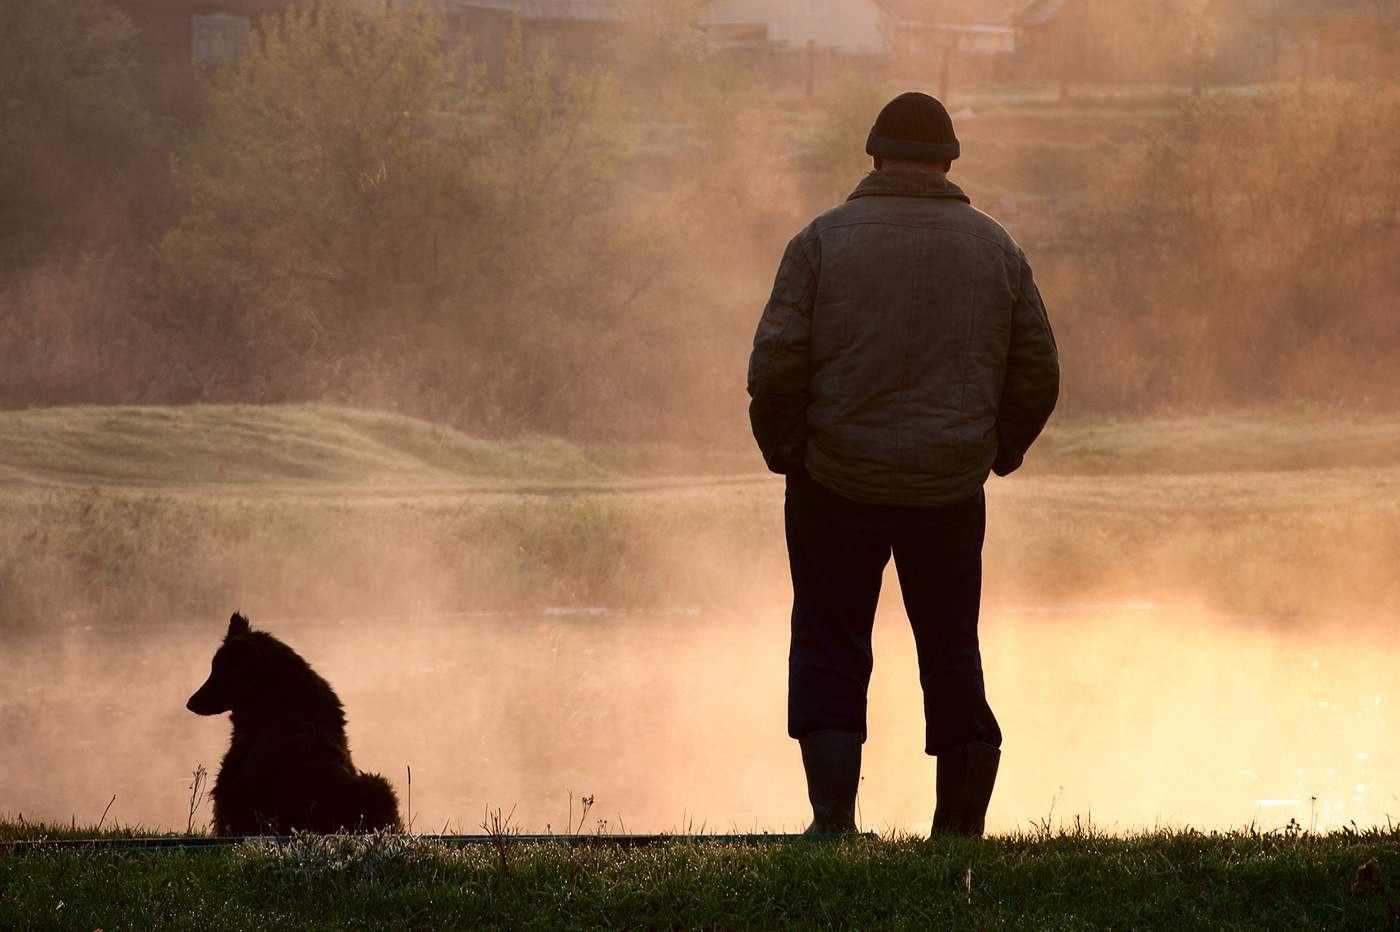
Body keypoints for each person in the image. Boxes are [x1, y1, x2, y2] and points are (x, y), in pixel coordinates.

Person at [747, 92, 1059, 837]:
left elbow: (776, 366)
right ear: (949, 162)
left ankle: (832, 824)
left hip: (835, 484)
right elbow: (1038, 372)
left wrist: (790, 454)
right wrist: (994, 453)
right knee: (950, 647)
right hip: (949, 490)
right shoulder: (997, 248)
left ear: (875, 156)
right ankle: (958, 832)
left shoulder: (820, 241)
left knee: (830, 641)